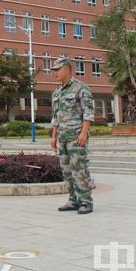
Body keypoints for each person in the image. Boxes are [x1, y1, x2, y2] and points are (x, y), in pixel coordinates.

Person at [50, 56, 95, 215]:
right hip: (62, 138)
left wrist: (84, 133)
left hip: (77, 137)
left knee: (79, 169)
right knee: (67, 171)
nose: (55, 73)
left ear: (68, 70)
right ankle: (73, 200)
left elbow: (88, 113)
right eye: (53, 70)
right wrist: (54, 136)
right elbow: (55, 116)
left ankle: (86, 201)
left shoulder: (81, 88)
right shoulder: (56, 92)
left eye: (57, 70)